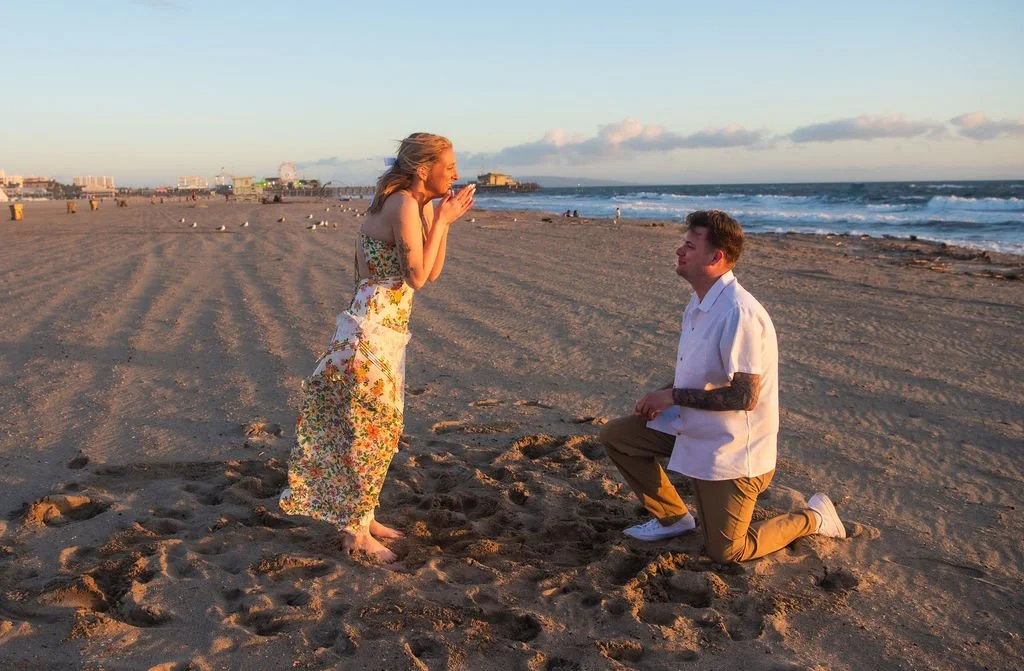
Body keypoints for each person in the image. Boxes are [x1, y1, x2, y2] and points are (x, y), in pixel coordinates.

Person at [600, 210, 845, 563]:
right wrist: (662, 396)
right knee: (618, 436)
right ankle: (673, 518)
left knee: (728, 551)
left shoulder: (738, 312)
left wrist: (669, 396)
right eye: (682, 243)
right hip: (694, 427)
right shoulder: (700, 302)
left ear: (716, 257)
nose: (679, 250)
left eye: (689, 245)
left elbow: (743, 396)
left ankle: (815, 516)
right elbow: (698, 373)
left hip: (732, 450)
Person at [280, 132, 475, 562]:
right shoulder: (404, 204)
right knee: (372, 428)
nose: (457, 174)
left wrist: (440, 222)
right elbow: (417, 277)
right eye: (450, 165)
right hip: (369, 330)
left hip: (385, 331)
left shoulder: (414, 205)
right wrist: (441, 221)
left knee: (382, 429)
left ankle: (364, 518)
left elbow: (430, 272)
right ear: (424, 169)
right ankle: (355, 534)